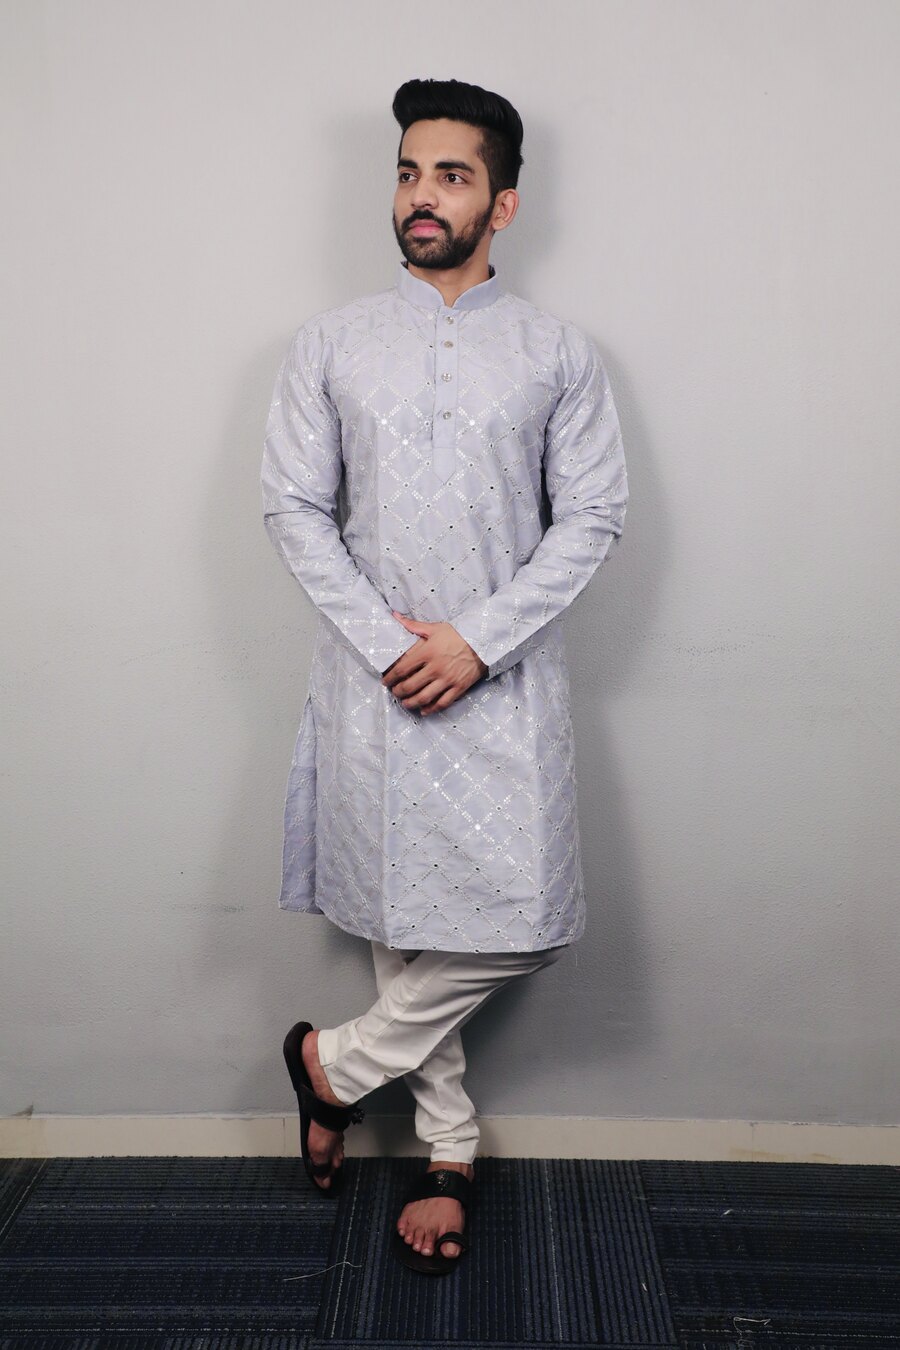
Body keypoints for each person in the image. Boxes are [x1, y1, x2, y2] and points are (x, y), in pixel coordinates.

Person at [261, 77, 628, 1274]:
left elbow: (592, 516)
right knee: (399, 920)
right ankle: (449, 1150)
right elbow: (295, 508)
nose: (422, 196)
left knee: (520, 922)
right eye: (410, 172)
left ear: (502, 205)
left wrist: (476, 641)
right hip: (373, 681)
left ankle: (330, 1069)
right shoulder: (330, 343)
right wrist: (389, 644)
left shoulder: (557, 353)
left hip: (501, 679)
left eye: (452, 176)